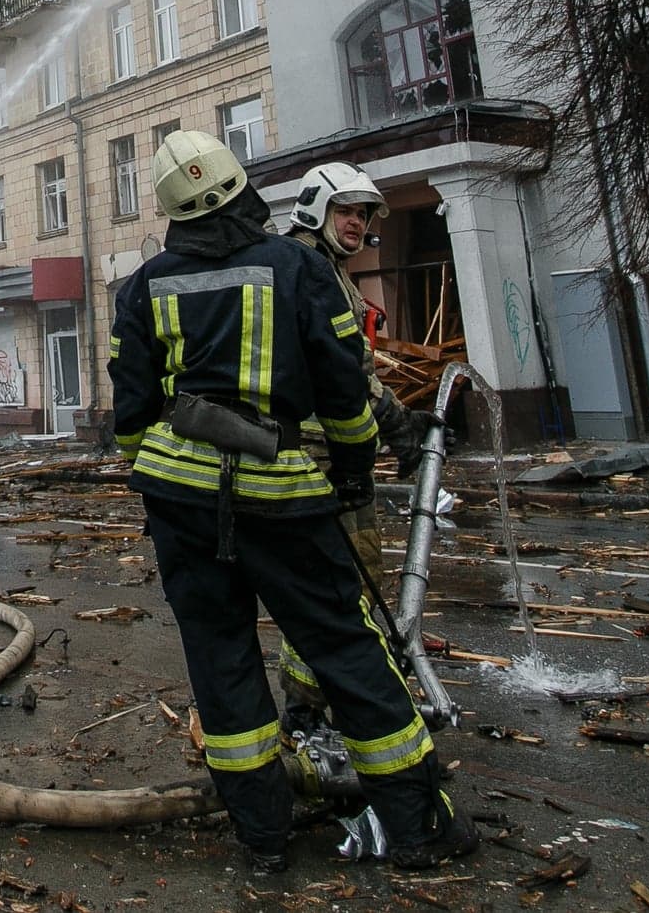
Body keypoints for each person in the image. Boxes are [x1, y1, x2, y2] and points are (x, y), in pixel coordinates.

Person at [108, 131, 473, 877]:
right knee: (347, 647)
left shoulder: (144, 287)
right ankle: (417, 826)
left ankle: (263, 839)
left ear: (170, 210)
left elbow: (133, 418)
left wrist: (160, 490)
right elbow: (344, 394)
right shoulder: (299, 270)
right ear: (243, 189)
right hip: (285, 500)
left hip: (181, 506)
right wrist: (351, 472)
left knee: (221, 660)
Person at [276, 162, 422, 714]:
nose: (358, 223)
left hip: (338, 452)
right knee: (337, 582)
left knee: (350, 579)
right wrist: (391, 415)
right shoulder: (307, 267)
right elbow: (334, 369)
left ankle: (332, 698)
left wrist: (397, 413)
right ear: (317, 207)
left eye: (363, 214)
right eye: (347, 211)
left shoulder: (327, 269)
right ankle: (311, 710)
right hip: (317, 456)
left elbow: (356, 364)